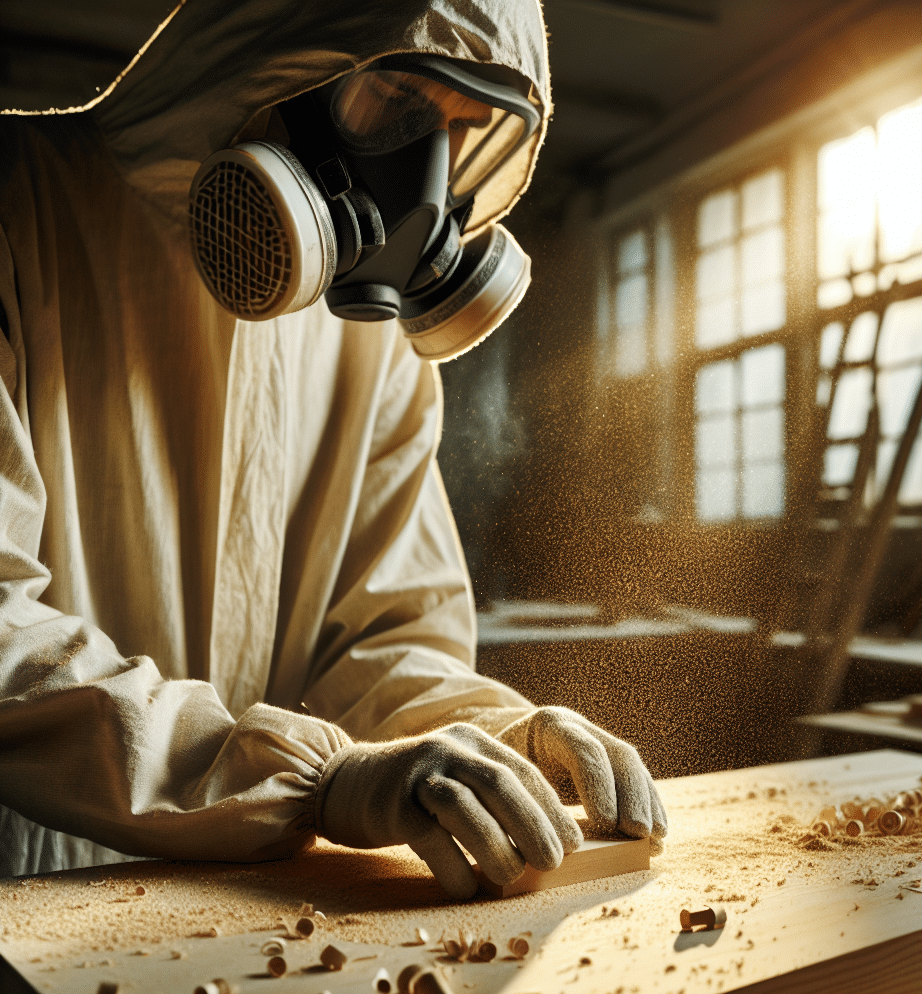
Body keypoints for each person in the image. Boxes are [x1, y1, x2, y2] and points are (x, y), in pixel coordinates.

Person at [0, 0, 667, 897]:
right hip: (25, 893)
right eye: (397, 100)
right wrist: (311, 784)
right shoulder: (15, 211)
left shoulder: (370, 342)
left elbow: (388, 633)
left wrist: (494, 739)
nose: (420, 188)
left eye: (461, 131)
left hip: (235, 909)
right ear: (270, 60)